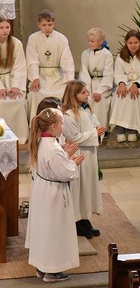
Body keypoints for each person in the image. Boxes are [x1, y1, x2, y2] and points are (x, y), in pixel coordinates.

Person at [25, 107, 85, 283]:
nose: (62, 127)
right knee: (54, 230)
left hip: (43, 191)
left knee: (43, 229)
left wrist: (65, 156)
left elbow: (51, 166)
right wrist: (72, 163)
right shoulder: (53, 149)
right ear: (52, 126)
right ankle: (52, 271)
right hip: (54, 195)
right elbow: (65, 173)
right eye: (61, 124)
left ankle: (41, 267)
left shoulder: (41, 142)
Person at [61, 80, 106, 239]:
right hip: (78, 154)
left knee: (88, 188)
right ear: (74, 95)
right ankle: (77, 221)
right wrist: (95, 133)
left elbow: (95, 125)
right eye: (84, 92)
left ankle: (84, 219)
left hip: (90, 154)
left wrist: (99, 132)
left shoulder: (86, 110)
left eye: (87, 91)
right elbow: (73, 138)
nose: (88, 94)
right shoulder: (68, 115)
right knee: (79, 189)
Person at [26, 9, 75, 122]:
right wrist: (35, 78)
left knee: (65, 92)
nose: (47, 28)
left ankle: (62, 124)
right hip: (40, 75)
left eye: (49, 24)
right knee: (35, 93)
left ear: (54, 24)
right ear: (38, 25)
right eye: (44, 25)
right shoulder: (33, 38)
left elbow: (67, 61)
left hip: (57, 76)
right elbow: (32, 59)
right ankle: (36, 124)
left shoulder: (61, 39)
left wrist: (69, 80)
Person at [110, 29, 140, 142]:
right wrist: (122, 83)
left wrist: (136, 84)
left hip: (139, 86)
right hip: (124, 84)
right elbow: (118, 73)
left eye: (136, 42)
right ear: (126, 43)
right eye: (130, 43)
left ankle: (132, 129)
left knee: (134, 97)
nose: (133, 45)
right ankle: (120, 129)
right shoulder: (120, 57)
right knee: (119, 95)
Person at [0, 14, 28, 144]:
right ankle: (2, 135)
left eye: (7, 27)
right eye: (1, 28)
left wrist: (16, 86)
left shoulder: (16, 43)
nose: (5, 30)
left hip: (13, 82)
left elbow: (20, 67)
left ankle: (19, 135)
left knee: (18, 102)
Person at [78, 28, 113, 132]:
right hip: (88, 84)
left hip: (103, 86)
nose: (89, 43)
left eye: (92, 41)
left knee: (99, 100)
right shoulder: (85, 54)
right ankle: (88, 129)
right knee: (88, 98)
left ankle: (102, 129)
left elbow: (108, 75)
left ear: (101, 41)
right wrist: (87, 90)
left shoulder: (107, 55)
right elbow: (83, 72)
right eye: (88, 40)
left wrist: (99, 91)